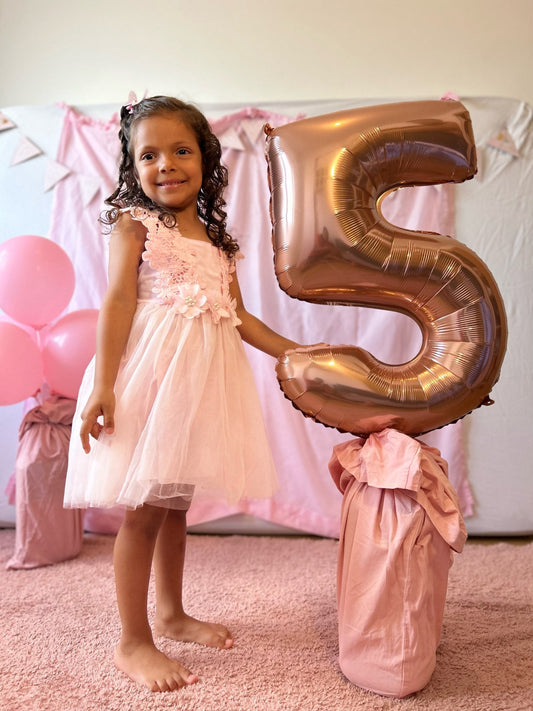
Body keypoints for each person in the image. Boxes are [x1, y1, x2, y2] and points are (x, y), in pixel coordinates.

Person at [63, 95, 298, 693]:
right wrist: (106, 386)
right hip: (147, 377)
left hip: (197, 386)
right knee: (143, 512)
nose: (165, 164)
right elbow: (117, 301)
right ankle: (132, 641)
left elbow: (239, 317)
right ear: (132, 167)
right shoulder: (135, 224)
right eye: (149, 154)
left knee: (175, 504)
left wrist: (294, 352)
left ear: (207, 159)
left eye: (180, 150)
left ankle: (170, 613)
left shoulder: (219, 242)